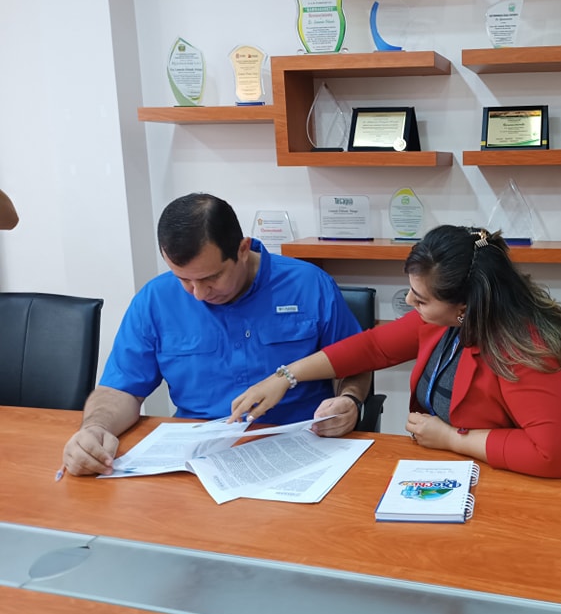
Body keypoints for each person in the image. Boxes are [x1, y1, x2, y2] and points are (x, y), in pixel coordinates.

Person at [232, 225, 561, 479]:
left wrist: (451, 439)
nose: (408, 301)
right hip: (450, 470)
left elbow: (551, 455)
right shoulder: (442, 320)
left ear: (464, 306)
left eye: (420, 299)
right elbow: (371, 347)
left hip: (517, 479)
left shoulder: (527, 349)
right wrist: (286, 376)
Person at [62, 192, 370, 476]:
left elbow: (355, 364)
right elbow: (121, 389)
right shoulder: (155, 299)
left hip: (299, 450)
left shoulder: (309, 285)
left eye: (211, 278)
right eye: (183, 279)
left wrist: (350, 400)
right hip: (197, 461)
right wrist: (95, 428)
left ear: (242, 249)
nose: (198, 294)